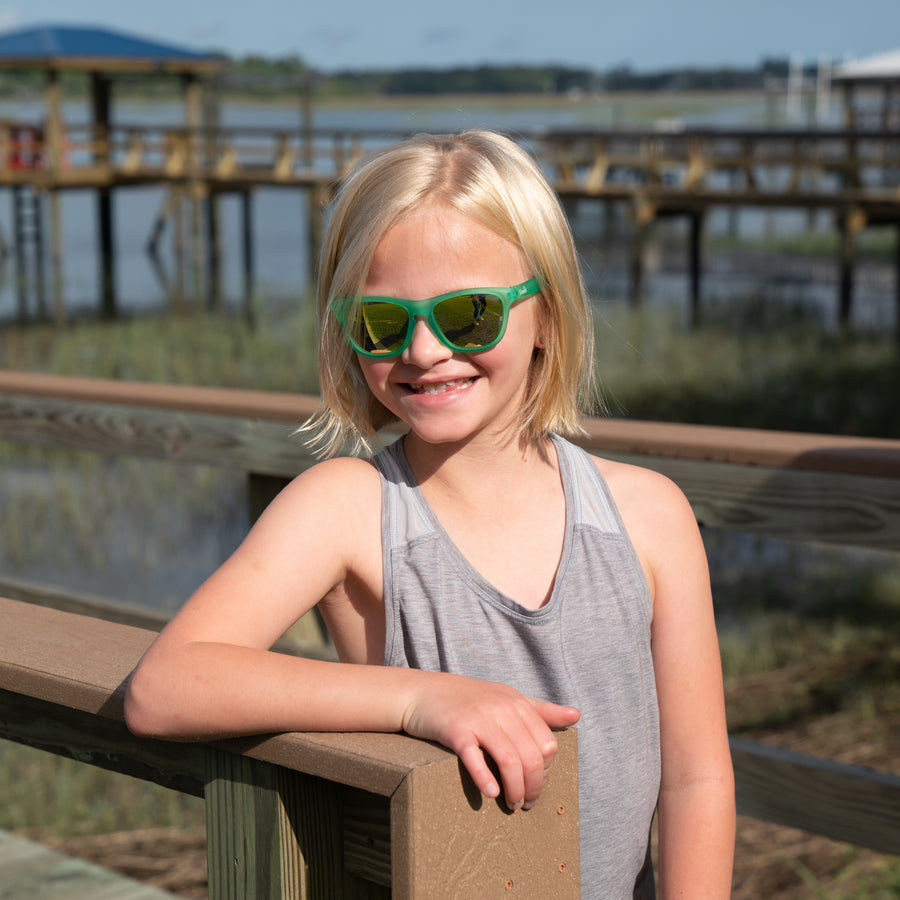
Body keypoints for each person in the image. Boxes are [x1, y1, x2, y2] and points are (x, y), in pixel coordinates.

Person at [125, 130, 735, 897]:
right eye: (381, 322)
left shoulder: (648, 517)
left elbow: (696, 778)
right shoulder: (348, 508)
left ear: (545, 314)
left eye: (469, 315)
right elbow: (168, 686)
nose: (423, 350)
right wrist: (421, 698)